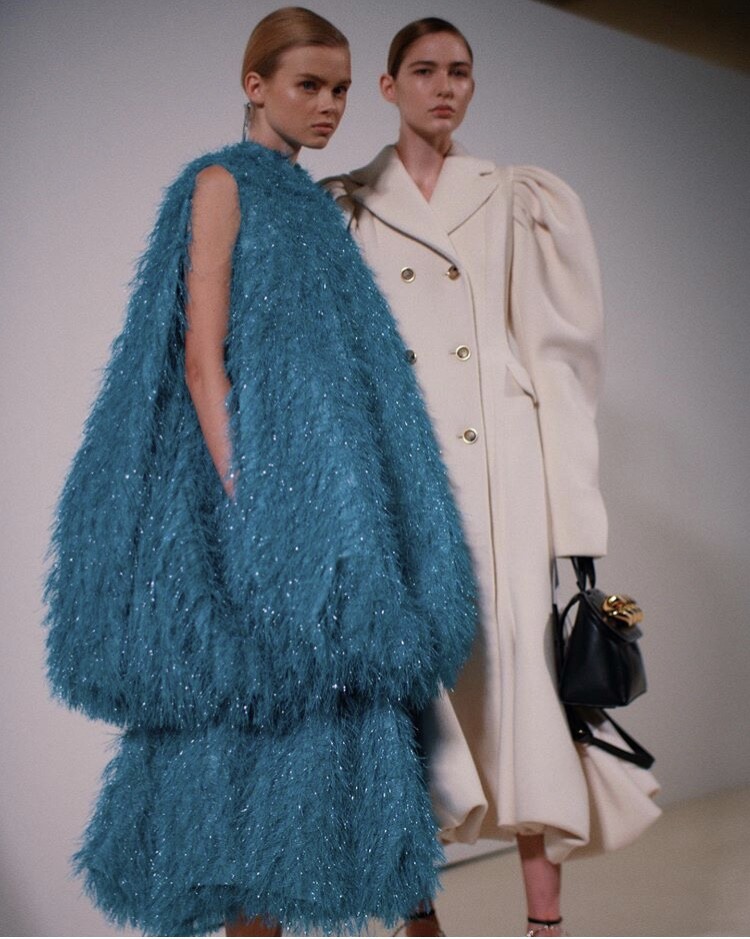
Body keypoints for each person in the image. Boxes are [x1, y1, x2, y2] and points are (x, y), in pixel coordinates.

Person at [43, 9, 479, 937]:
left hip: (333, 506)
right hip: (256, 509)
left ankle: (400, 908)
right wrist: (257, 499)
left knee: (348, 715)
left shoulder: (314, 206)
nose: (329, 107)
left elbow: (342, 369)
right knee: (251, 724)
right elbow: (202, 360)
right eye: (307, 86)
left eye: (341, 89)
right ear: (256, 86)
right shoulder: (218, 185)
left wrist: (348, 500)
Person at [324, 17, 661, 938]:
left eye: (461, 71)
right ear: (388, 86)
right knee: (410, 700)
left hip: (500, 477)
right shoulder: (345, 205)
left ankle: (544, 923)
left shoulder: (520, 198)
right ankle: (418, 918)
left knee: (523, 693)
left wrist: (573, 518)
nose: (445, 87)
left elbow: (561, 364)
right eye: (424, 70)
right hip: (398, 478)